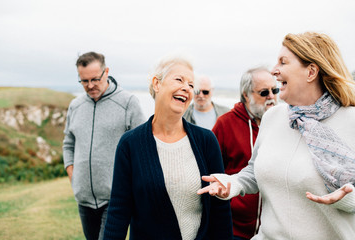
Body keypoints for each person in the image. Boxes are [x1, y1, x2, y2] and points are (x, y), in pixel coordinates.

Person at [198, 32, 355, 239]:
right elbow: (254, 171)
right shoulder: (273, 117)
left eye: (283, 62)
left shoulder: (350, 121)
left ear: (311, 72)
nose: (274, 70)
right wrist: (233, 184)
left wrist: (348, 199)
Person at [103, 55, 233, 239]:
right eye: (179, 80)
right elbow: (118, 212)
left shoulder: (206, 141)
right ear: (157, 84)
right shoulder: (130, 144)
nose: (186, 88)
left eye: (190, 84)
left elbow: (220, 211)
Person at [63, 52, 145, 240]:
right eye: (84, 81)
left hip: (115, 198)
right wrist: (72, 175)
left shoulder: (128, 102)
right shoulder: (75, 106)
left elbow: (141, 147)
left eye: (95, 79)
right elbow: (68, 144)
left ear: (106, 72)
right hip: (83, 199)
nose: (90, 86)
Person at [212, 67, 278, 240]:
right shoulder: (225, 124)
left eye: (275, 90)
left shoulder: (283, 124)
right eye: (264, 92)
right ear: (246, 95)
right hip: (233, 229)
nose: (271, 96)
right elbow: (212, 173)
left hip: (272, 230)